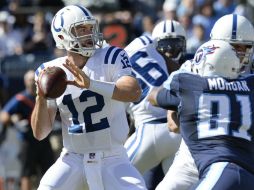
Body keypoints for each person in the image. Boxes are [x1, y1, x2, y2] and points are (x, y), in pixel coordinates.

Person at [31, 5, 147, 190]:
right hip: (72, 158)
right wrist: (41, 99)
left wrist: (91, 84)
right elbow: (40, 133)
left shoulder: (112, 55)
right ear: (62, 37)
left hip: (113, 157)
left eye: (90, 28)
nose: (88, 33)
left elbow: (133, 91)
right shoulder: (50, 72)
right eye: (81, 29)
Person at [155, 13, 254, 190]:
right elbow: (173, 123)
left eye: (244, 47)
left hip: (240, 152)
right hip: (194, 154)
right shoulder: (195, 67)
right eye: (233, 47)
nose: (239, 54)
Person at [124, 20, 189, 189]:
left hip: (149, 130)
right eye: (164, 47)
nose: (169, 52)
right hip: (178, 133)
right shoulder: (191, 65)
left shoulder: (123, 59)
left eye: (174, 46)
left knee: (110, 178)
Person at [0, 70, 55, 190]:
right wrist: (14, 120)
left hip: (44, 139)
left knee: (50, 171)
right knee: (27, 173)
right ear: (25, 82)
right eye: (30, 80)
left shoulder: (46, 96)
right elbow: (4, 115)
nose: (32, 83)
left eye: (34, 80)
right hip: (28, 141)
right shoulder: (21, 98)